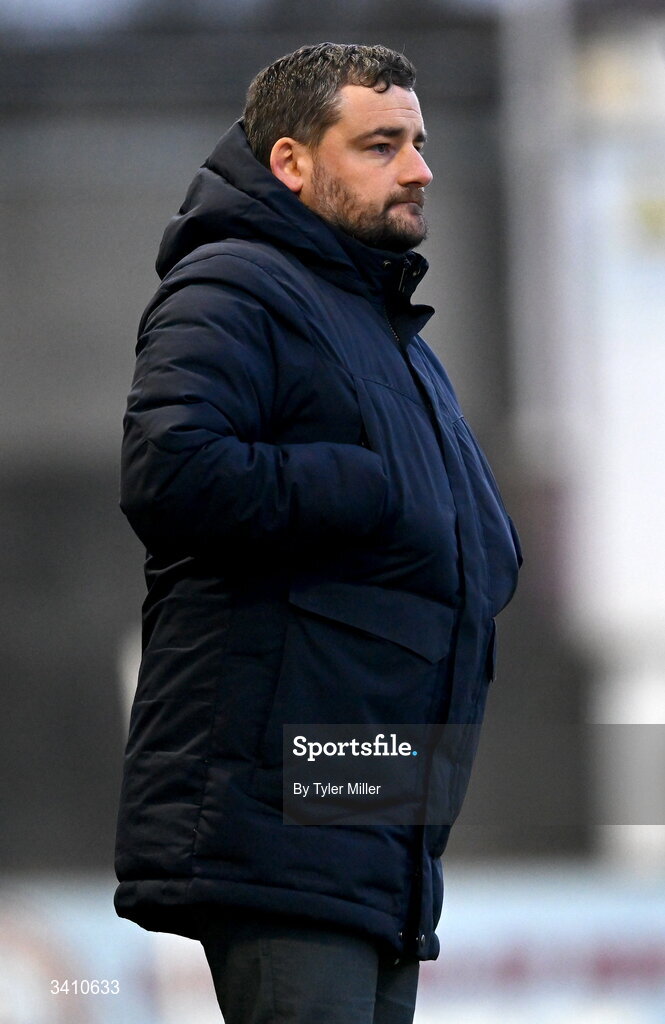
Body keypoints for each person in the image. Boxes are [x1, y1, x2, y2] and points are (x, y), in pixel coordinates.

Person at [114, 42, 521, 1024]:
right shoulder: (233, 285)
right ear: (292, 163)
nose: (418, 167)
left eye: (417, 142)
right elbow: (170, 469)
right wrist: (355, 485)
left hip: (372, 804)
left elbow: (442, 533)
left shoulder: (379, 329)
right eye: (380, 144)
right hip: (280, 803)